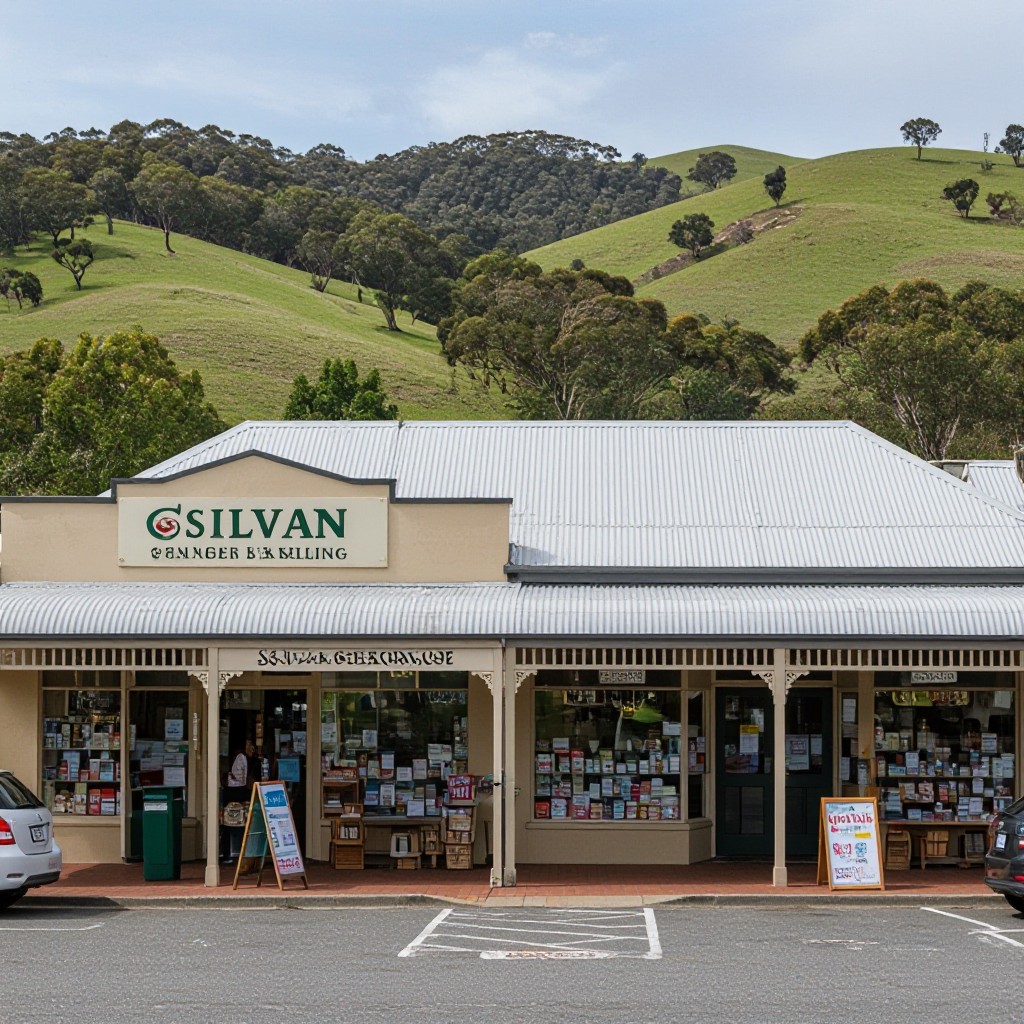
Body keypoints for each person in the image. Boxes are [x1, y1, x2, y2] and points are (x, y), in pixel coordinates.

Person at [220, 739, 255, 863]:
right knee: (240, 822)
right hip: (237, 793)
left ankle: (227, 853)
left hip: (231, 792)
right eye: (249, 744)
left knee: (228, 824)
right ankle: (240, 853)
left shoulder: (236, 757)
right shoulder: (241, 757)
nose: (252, 748)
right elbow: (242, 780)